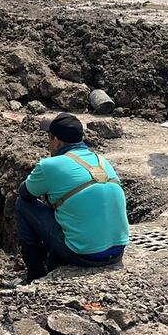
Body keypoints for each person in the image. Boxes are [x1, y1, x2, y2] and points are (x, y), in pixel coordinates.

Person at [15, 113, 129, 282]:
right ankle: (54, 259)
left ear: (57, 141)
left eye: (49, 138)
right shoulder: (101, 160)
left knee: (22, 205)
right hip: (117, 252)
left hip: (85, 255)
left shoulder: (49, 165)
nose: (48, 144)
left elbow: (25, 193)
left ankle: (34, 274)